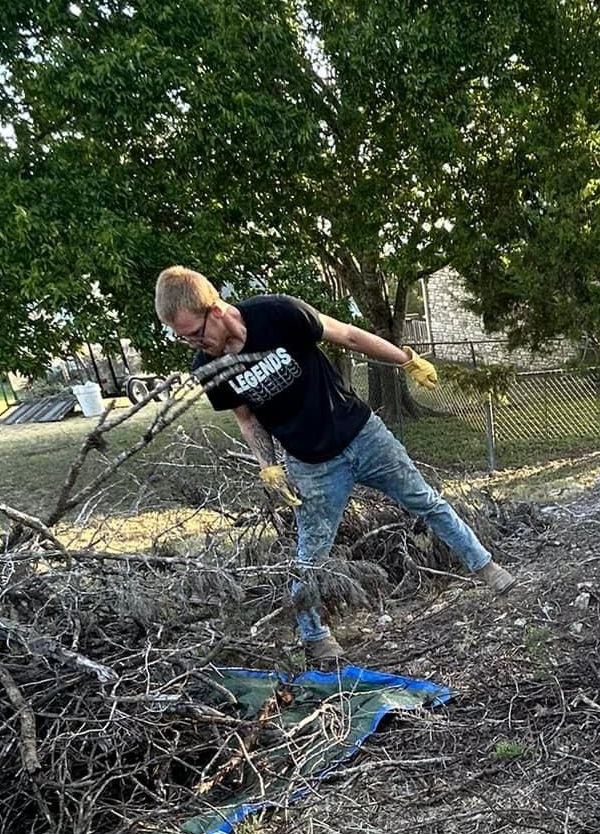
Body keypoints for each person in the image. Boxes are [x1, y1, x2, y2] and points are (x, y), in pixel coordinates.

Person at [154, 266, 513, 666]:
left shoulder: (279, 313)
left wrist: (406, 359)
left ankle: (487, 568)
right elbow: (247, 419)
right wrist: (267, 466)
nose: (193, 343)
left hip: (364, 435)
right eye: (183, 337)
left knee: (426, 502)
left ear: (216, 310)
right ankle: (315, 636)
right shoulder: (208, 367)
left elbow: (349, 335)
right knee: (311, 553)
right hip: (312, 465)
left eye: (195, 332)